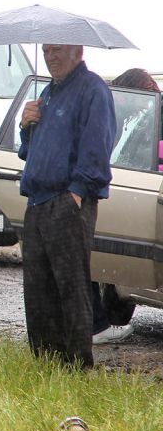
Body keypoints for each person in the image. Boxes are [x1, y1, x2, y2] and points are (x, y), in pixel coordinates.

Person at [18, 44, 116, 369]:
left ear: (77, 50)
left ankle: (77, 367)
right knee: (38, 292)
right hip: (37, 203)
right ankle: (47, 364)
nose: (50, 57)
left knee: (71, 288)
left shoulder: (92, 90)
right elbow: (30, 151)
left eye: (57, 50)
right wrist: (25, 126)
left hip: (68, 203)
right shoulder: (47, 94)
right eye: (46, 50)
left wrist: (76, 193)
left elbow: (98, 149)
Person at [91, 68, 159, 344]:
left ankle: (93, 324)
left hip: (111, 190)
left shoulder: (136, 118)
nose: (144, 109)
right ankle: (95, 324)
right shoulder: (121, 117)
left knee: (87, 259)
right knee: (88, 259)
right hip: (101, 191)